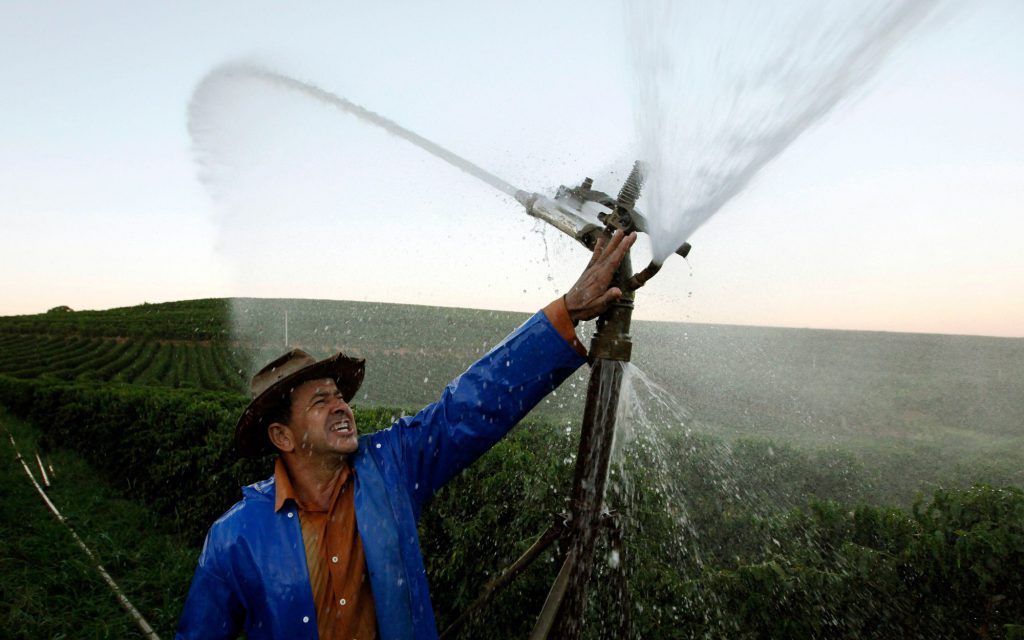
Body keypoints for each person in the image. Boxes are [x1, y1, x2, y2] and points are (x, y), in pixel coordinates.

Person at [176, 231, 637, 639]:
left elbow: (469, 406)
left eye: (339, 396)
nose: (341, 407)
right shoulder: (235, 537)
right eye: (320, 402)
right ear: (282, 436)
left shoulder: (390, 468)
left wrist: (566, 311)